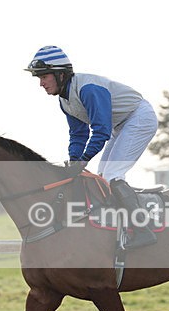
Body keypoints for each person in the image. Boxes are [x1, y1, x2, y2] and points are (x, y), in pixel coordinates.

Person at [25, 45, 158, 249]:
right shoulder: (65, 100)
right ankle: (120, 226)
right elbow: (78, 134)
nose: (41, 83)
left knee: (112, 175)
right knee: (103, 176)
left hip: (139, 118)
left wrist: (83, 160)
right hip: (120, 125)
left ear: (61, 74)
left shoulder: (88, 89)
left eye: (44, 77)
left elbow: (101, 131)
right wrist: (74, 160)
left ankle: (143, 230)